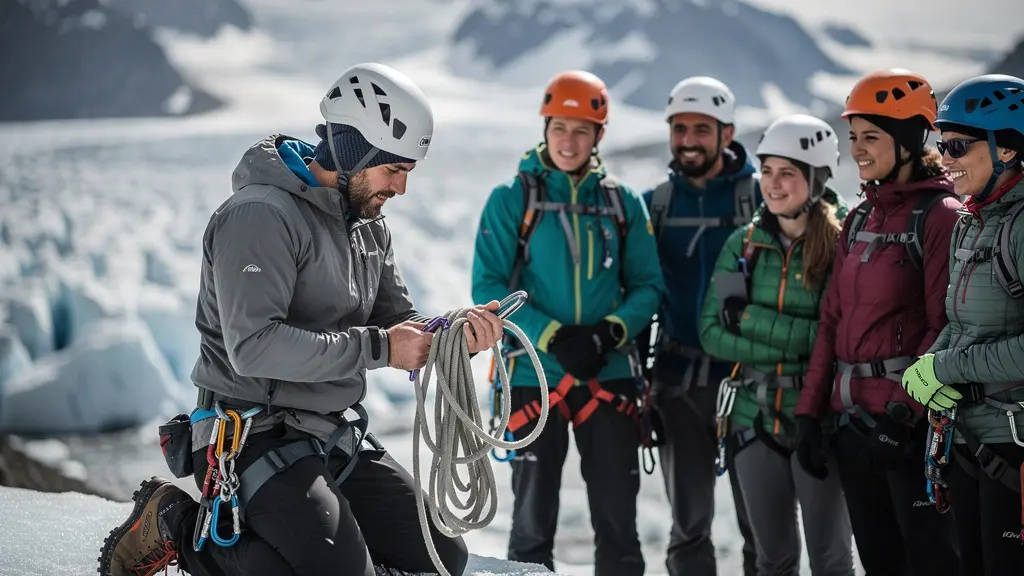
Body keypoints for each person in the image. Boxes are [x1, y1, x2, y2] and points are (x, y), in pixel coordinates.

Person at [97, 62, 509, 576]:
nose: (401, 188)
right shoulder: (260, 216)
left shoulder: (366, 227)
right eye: (393, 169)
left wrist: (452, 337)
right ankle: (177, 525)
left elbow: (398, 319)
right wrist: (380, 348)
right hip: (250, 435)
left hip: (331, 433)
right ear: (355, 153)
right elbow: (254, 348)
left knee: (441, 557)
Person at [471, 70, 664, 576]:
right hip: (536, 373)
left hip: (609, 370)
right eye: (559, 128)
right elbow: (488, 287)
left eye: (581, 130)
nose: (568, 141)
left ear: (599, 135)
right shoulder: (512, 199)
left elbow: (649, 285)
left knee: (618, 525)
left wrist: (611, 331)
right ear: (545, 129)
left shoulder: (623, 203)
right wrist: (551, 335)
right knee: (532, 528)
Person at [794, 69, 963, 575]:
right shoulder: (860, 217)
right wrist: (809, 415)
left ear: (910, 139)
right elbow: (833, 321)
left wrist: (901, 417)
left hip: (908, 435)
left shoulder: (941, 215)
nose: (858, 149)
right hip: (853, 431)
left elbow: (944, 327)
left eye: (872, 137)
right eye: (853, 138)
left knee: (931, 563)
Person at [699, 113, 855, 575]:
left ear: (815, 178)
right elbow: (711, 333)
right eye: (767, 171)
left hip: (820, 420)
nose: (773, 183)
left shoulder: (845, 243)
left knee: (830, 560)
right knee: (773, 559)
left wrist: (750, 318)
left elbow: (838, 338)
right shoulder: (743, 244)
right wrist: (797, 346)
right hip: (754, 415)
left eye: (787, 172)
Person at [901, 73, 1024, 575]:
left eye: (957, 145)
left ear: (1008, 151)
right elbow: (956, 318)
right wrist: (928, 367)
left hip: (1014, 444)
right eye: (940, 144)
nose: (944, 157)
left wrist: (947, 367)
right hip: (968, 439)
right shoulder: (971, 221)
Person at [640, 75, 760, 576]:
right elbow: (639, 289)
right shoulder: (656, 204)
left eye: (701, 129)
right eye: (679, 128)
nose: (688, 140)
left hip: (751, 380)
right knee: (689, 527)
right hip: (679, 381)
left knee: (765, 525)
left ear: (726, 134)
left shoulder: (760, 198)